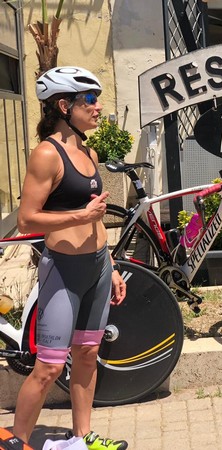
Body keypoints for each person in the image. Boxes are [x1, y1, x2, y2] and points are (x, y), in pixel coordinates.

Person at [13, 67, 129, 449]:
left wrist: (110, 265)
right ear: (64, 106)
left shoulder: (88, 151)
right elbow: (27, 218)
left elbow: (95, 217)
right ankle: (18, 441)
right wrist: (79, 217)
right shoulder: (47, 154)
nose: (98, 108)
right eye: (90, 100)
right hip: (62, 270)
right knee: (47, 366)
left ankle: (83, 436)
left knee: (88, 352)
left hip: (97, 267)